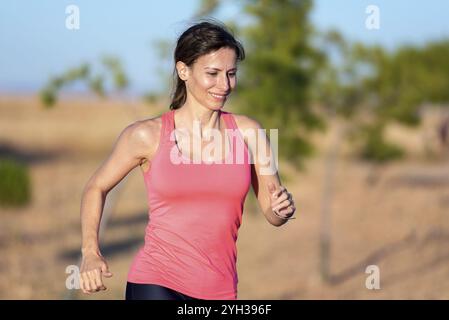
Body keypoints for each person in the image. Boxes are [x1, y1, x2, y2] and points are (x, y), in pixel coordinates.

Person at [79, 20, 296, 300]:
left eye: (231, 74)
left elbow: (272, 211)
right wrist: (90, 252)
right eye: (212, 73)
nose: (224, 85)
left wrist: (282, 209)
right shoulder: (147, 135)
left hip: (220, 289)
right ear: (184, 70)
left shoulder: (250, 133)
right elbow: (95, 187)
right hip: (156, 282)